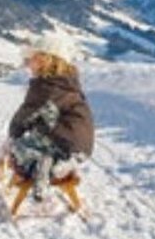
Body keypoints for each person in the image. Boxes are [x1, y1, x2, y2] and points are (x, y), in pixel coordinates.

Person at [8, 32, 94, 201]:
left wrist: (14, 133)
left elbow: (26, 114)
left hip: (64, 141)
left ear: (44, 60)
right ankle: (60, 162)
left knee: (19, 147)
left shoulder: (45, 87)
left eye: (32, 58)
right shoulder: (67, 81)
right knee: (42, 127)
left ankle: (42, 165)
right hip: (82, 143)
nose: (28, 62)